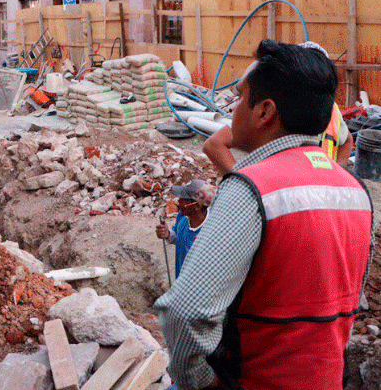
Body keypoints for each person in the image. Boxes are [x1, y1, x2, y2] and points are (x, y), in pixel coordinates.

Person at [156, 40, 373, 390]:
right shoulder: (356, 192)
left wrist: (200, 381)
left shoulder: (250, 188)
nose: (233, 110)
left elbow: (185, 312)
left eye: (241, 98)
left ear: (264, 111)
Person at [204, 41, 353, 173]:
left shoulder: (332, 113)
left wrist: (338, 169)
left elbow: (347, 140)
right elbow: (214, 144)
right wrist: (245, 181)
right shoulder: (279, 110)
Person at [155, 180, 213, 278]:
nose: (178, 202)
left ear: (197, 206)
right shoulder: (182, 217)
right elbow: (177, 236)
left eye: (183, 199)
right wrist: (168, 234)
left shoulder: (211, 230)